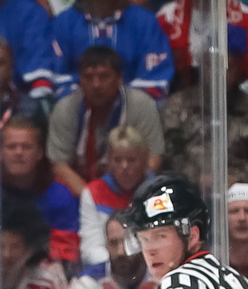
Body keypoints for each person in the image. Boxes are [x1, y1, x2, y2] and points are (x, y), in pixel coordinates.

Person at [119, 173, 248, 289]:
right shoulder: (236, 278)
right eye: (144, 239)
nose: (150, 251)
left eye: (161, 236)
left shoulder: (177, 282)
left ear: (192, 236)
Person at [46, 0, 171, 98]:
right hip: (77, 106)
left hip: (132, 108)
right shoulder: (64, 23)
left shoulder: (145, 22)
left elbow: (155, 78)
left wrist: (119, 103)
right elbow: (57, 76)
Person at [0, 114, 81, 265]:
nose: (19, 152)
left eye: (26, 147)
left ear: (39, 153)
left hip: (43, 276)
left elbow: (66, 257)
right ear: (0, 152)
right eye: (11, 146)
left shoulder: (61, 196)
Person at [157, 55, 248, 196]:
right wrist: (196, 178)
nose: (219, 74)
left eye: (228, 68)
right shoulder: (178, 105)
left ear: (239, 68)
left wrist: (235, 179)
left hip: (239, 191)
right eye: (212, 66)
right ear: (202, 67)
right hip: (187, 188)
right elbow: (170, 156)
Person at [48, 46, 163, 194]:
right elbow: (59, 164)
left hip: (132, 189)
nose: (96, 85)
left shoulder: (141, 104)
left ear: (119, 79)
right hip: (81, 191)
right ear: (80, 80)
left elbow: (153, 159)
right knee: (57, 193)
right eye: (88, 77)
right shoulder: (66, 108)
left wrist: (131, 195)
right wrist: (91, 198)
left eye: (104, 77)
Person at [77, 125, 154, 274]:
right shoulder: (93, 193)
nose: (124, 166)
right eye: (118, 160)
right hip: (106, 271)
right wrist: (122, 265)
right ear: (109, 161)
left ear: (144, 161)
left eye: (131, 160)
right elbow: (90, 249)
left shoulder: (160, 193)